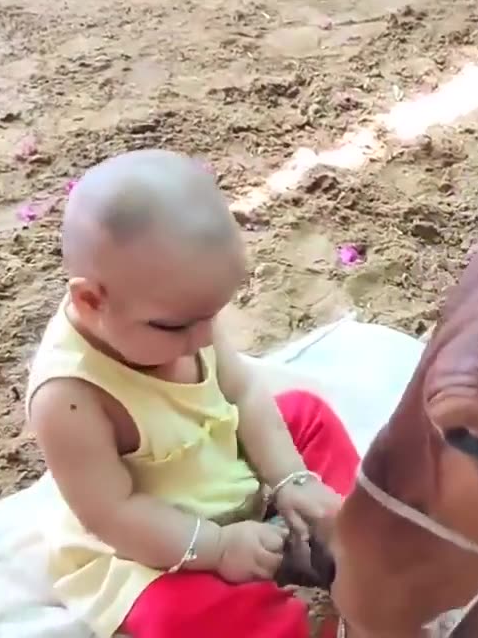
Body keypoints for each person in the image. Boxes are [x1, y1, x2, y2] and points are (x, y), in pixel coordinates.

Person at [25, 149, 358, 638]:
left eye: (212, 316)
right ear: (92, 301)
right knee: (179, 615)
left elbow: (242, 391)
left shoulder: (181, 313)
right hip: (158, 548)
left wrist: (290, 478)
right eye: (176, 326)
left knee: (305, 414)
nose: (202, 339)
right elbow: (113, 514)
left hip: (225, 474)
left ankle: (345, 536)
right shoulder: (69, 396)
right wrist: (218, 548)